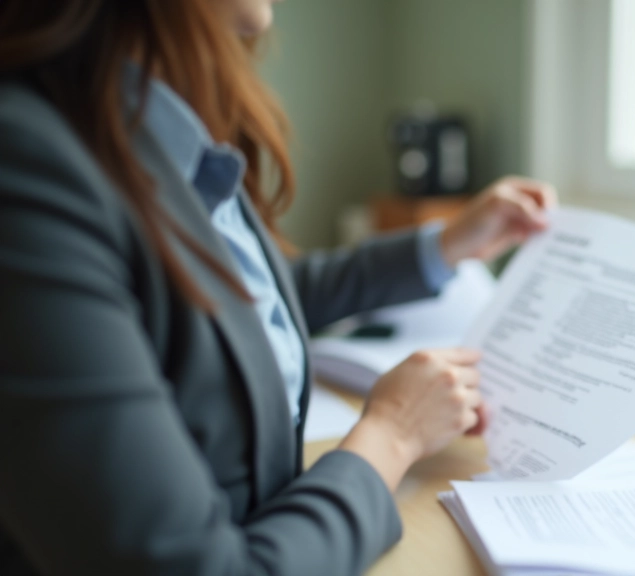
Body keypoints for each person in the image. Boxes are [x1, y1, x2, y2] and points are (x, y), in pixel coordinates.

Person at [0, 1, 556, 574]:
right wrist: (392, 435)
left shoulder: (148, 122)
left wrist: (443, 245)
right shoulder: (27, 167)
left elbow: (235, 301)